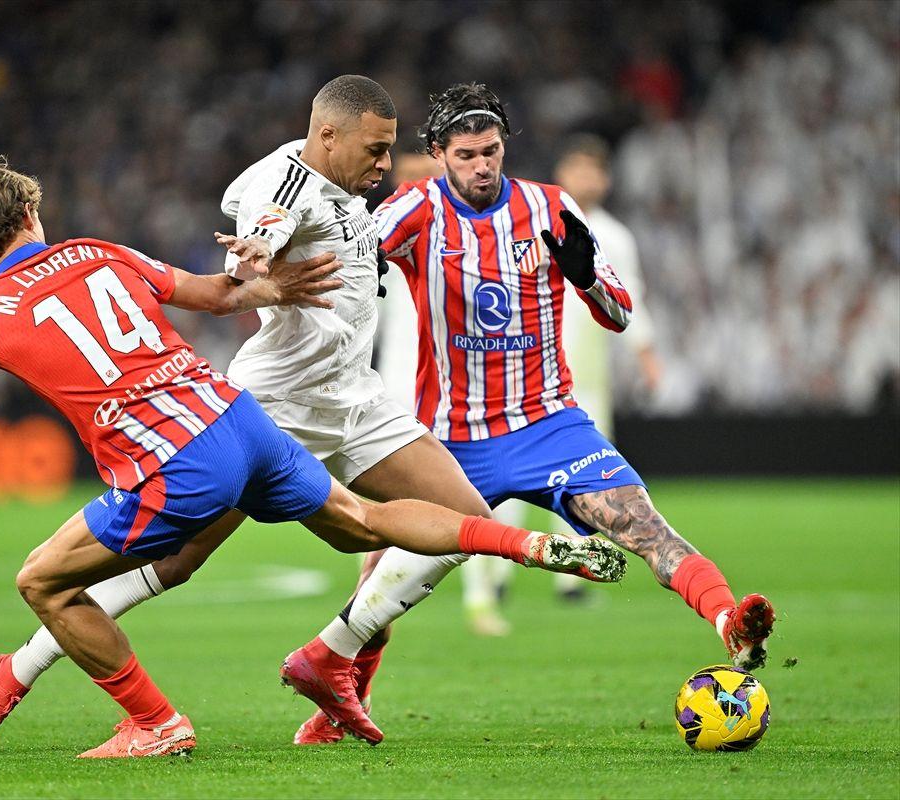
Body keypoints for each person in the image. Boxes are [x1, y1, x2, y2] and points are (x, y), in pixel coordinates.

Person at [0, 156, 628, 759]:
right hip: (238, 416)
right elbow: (209, 293)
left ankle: (153, 723)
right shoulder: (98, 250)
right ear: (34, 214)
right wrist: (268, 286)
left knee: (43, 579)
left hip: (174, 462)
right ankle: (523, 545)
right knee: (358, 526)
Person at [0, 76, 626, 754]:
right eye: (376, 150)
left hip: (355, 398)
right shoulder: (283, 183)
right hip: (273, 406)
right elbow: (265, 220)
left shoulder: (354, 182)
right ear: (329, 136)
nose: (386, 165)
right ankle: (13, 671)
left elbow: (395, 178)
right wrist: (257, 252)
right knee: (177, 564)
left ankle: (334, 669)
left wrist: (450, 163)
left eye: (390, 150)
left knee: (461, 525)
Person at [282, 82, 776, 744]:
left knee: (642, 523)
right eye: (466, 154)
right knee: (390, 577)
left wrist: (588, 277)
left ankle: (729, 623)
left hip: (550, 426)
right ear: (438, 154)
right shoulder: (414, 209)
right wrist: (291, 255)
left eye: (491, 151)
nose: (482, 165)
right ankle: (331, 687)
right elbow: (345, 254)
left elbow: (622, 312)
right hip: (452, 440)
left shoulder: (549, 207)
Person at [459, 134, 668, 634]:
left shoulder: (615, 236)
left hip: (586, 379)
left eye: (593, 170)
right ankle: (501, 573)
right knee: (507, 483)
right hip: (524, 375)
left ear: (606, 178)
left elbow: (627, 296)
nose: (584, 178)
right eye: (575, 169)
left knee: (581, 483)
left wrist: (646, 353)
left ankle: (572, 579)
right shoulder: (534, 223)